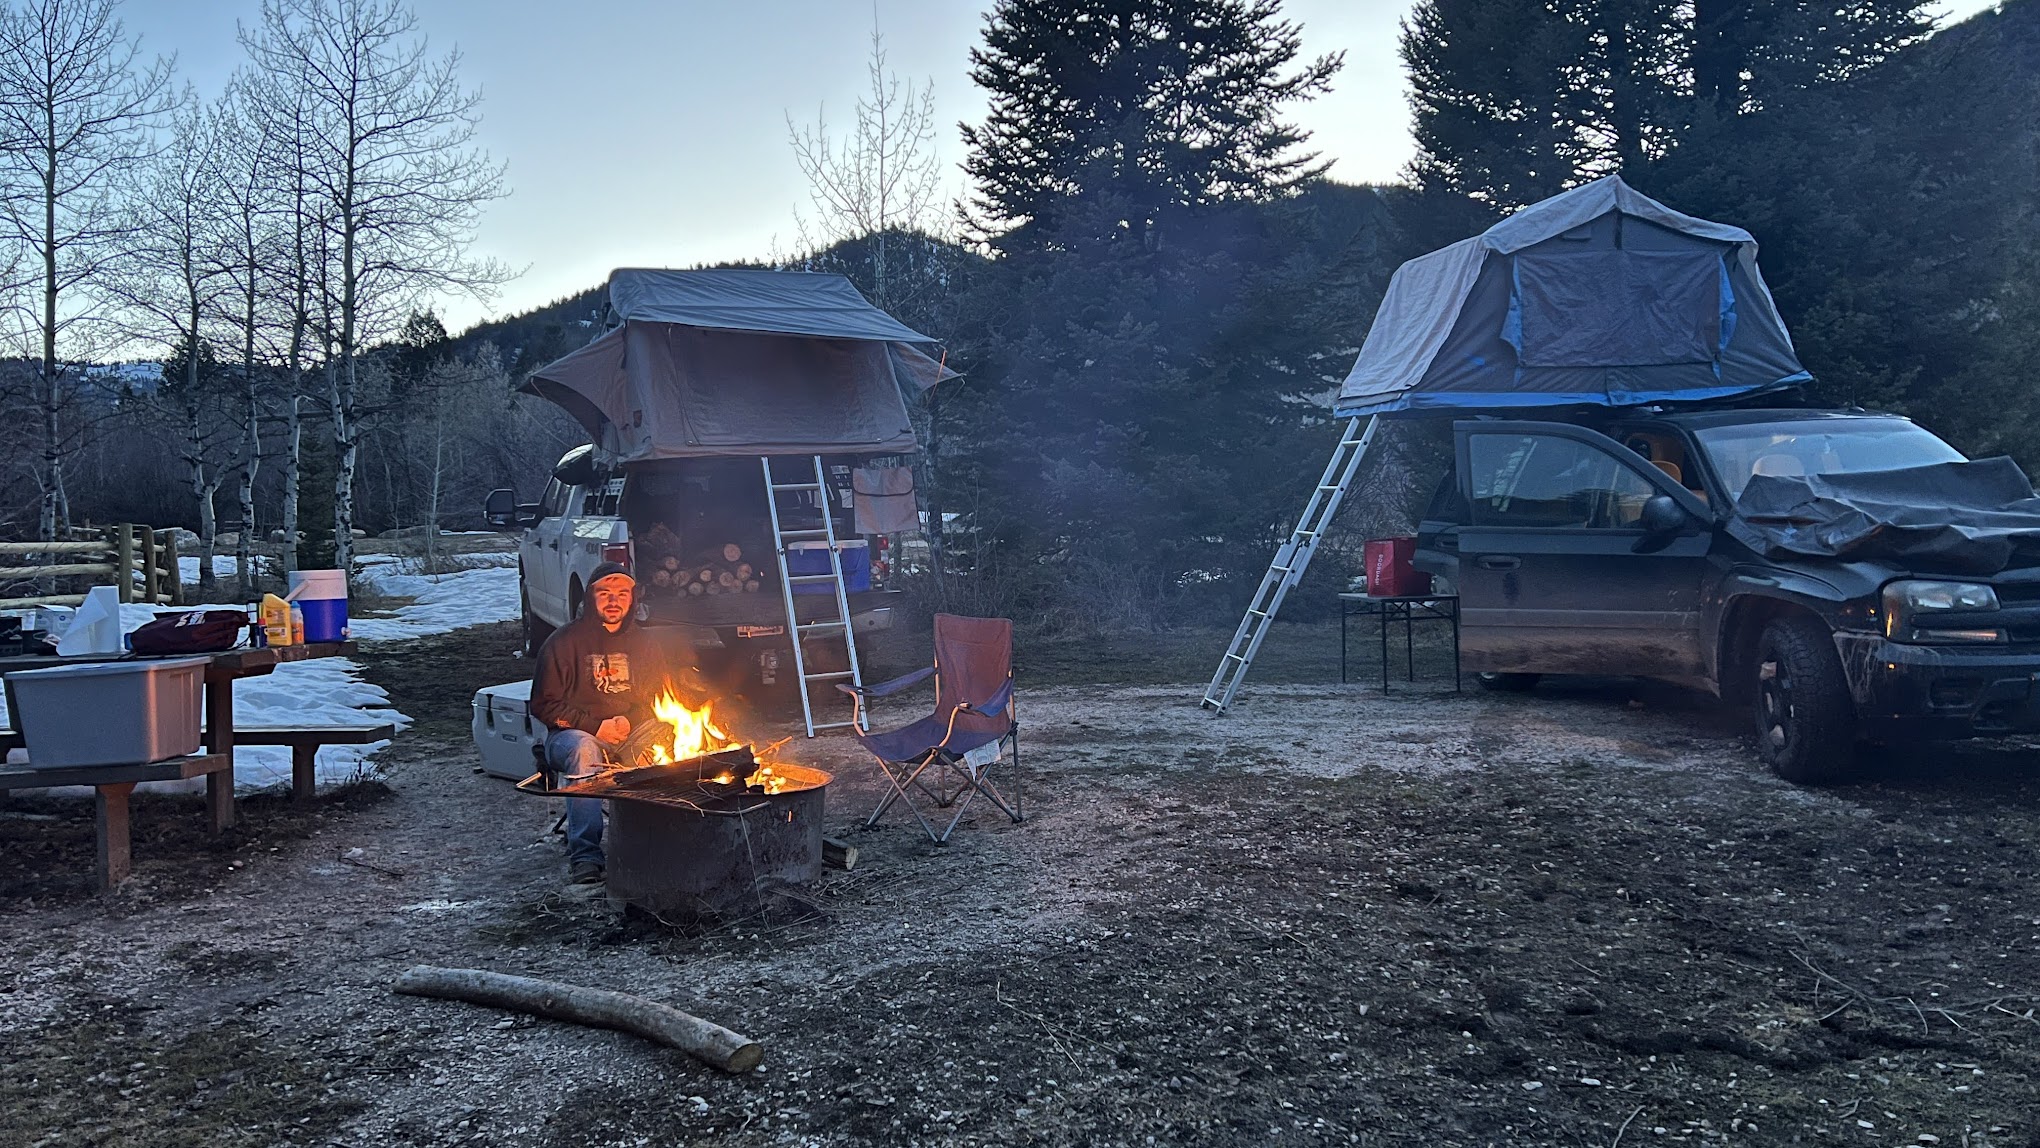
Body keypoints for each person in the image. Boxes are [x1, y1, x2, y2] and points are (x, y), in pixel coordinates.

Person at [529, 562, 670, 884]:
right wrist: (595, 726)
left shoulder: (646, 644)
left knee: (673, 746)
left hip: (632, 731)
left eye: (622, 594)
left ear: (633, 599)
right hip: (569, 735)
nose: (613, 601)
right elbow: (543, 704)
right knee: (583, 750)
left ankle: (651, 843)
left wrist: (628, 722)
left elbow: (658, 699)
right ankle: (586, 856)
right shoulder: (562, 643)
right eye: (604, 593)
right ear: (589, 598)